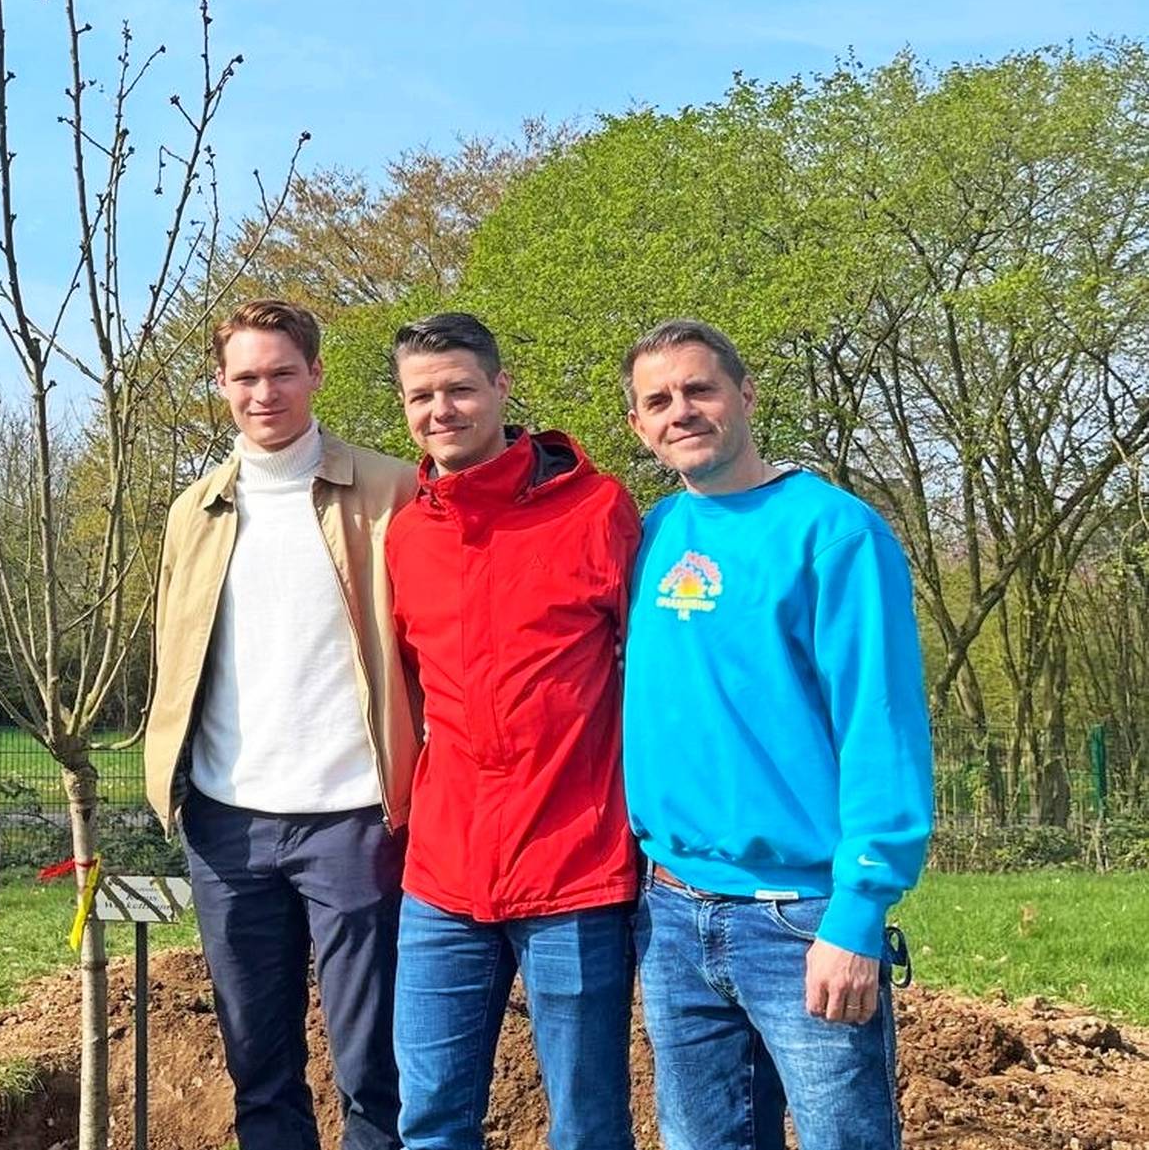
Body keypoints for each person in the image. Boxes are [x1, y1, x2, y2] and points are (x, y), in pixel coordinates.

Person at [621, 319, 932, 1150]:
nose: (682, 411)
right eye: (659, 400)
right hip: (671, 909)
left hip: (801, 918)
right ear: (639, 426)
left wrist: (858, 912)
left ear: (746, 394)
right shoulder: (651, 535)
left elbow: (881, 725)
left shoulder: (835, 533)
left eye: (700, 389)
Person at [145, 298, 419, 1150]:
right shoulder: (191, 513)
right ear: (221, 384)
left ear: (316, 374)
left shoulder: (392, 490)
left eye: (282, 373)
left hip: (354, 819)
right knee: (258, 1071)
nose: (264, 392)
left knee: (373, 1068)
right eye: (246, 376)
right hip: (228, 826)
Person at [384, 313, 641, 1150]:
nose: (441, 410)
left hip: (574, 865)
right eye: (421, 396)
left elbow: (652, 672)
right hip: (443, 872)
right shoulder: (407, 534)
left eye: (460, 388)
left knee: (587, 1125)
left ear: (501, 387)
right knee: (430, 1117)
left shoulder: (598, 509)